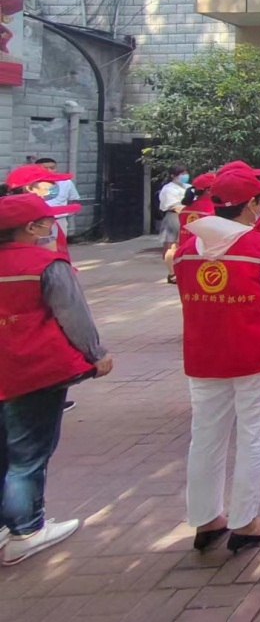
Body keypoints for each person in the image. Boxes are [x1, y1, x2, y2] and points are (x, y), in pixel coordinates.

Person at [175, 167, 260, 554]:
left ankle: (206, 519)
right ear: (252, 205)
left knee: (205, 438)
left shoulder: (187, 249)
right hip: (258, 353)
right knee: (255, 435)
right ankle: (246, 521)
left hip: (205, 355)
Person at [0, 192, 112, 565]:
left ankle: (6, 526)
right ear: (31, 228)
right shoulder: (45, 264)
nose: (53, 227)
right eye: (48, 221)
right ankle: (26, 530)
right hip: (32, 370)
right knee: (28, 456)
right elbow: (73, 315)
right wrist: (96, 354)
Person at [3, 165, 74, 258]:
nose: (54, 185)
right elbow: (51, 253)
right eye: (49, 182)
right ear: (30, 188)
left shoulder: (7, 213)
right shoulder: (40, 219)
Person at [158, 165, 190, 283]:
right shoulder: (168, 189)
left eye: (185, 173)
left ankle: (182, 271)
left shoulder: (188, 187)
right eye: (181, 174)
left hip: (188, 217)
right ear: (173, 176)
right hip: (174, 217)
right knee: (172, 247)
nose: (185, 176)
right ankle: (172, 274)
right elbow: (173, 205)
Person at [35, 159, 80, 241]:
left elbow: (73, 200)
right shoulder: (30, 184)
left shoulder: (66, 182)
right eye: (44, 168)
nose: (49, 171)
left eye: (52, 168)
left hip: (59, 220)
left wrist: (65, 213)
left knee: (59, 245)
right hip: (37, 221)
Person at [178, 172, 216, 249]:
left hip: (184, 251)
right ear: (208, 190)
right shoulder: (214, 209)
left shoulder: (185, 209)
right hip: (203, 252)